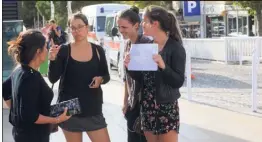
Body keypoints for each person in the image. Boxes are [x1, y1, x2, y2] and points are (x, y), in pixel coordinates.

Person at [124, 5, 186, 142]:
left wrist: (163, 66)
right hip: (147, 107)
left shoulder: (175, 48)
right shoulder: (147, 46)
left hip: (166, 108)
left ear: (155, 24)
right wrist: (130, 67)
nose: (142, 24)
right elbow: (142, 78)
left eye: (145, 21)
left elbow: (179, 81)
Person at [48, 12, 111, 142]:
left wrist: (101, 79)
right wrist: (53, 60)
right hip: (70, 110)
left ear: (87, 27)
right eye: (73, 27)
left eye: (80, 26)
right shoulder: (65, 50)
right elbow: (53, 78)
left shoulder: (98, 50)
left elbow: (106, 75)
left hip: (93, 109)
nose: (77, 31)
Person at [2, 29, 71, 142]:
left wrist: (17, 110)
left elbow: (5, 90)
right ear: (38, 51)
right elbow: (31, 116)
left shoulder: (20, 69)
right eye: (45, 47)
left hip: (22, 133)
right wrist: (57, 119)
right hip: (33, 136)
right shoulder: (30, 77)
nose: (47, 50)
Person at [117, 6, 151, 142]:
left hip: (146, 107)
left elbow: (148, 79)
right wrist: (126, 102)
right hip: (133, 106)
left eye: (124, 27)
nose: (120, 31)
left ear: (136, 25)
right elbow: (127, 78)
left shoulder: (146, 44)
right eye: (119, 27)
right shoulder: (127, 45)